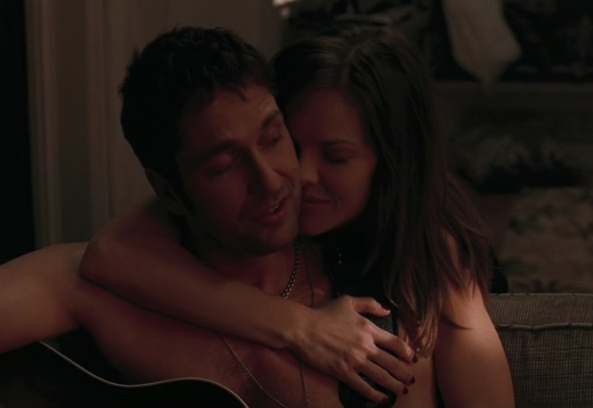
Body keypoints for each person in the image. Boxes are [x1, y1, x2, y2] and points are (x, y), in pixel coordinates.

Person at [80, 23, 515, 407]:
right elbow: (109, 252)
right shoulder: (218, 214)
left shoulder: (433, 254)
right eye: (288, 140)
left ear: (391, 165)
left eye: (335, 156)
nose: (292, 178)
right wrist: (301, 326)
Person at [0, 26, 409, 408]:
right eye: (223, 166)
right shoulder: (102, 284)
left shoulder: (377, 289)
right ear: (168, 192)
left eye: (273, 138)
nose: (269, 182)